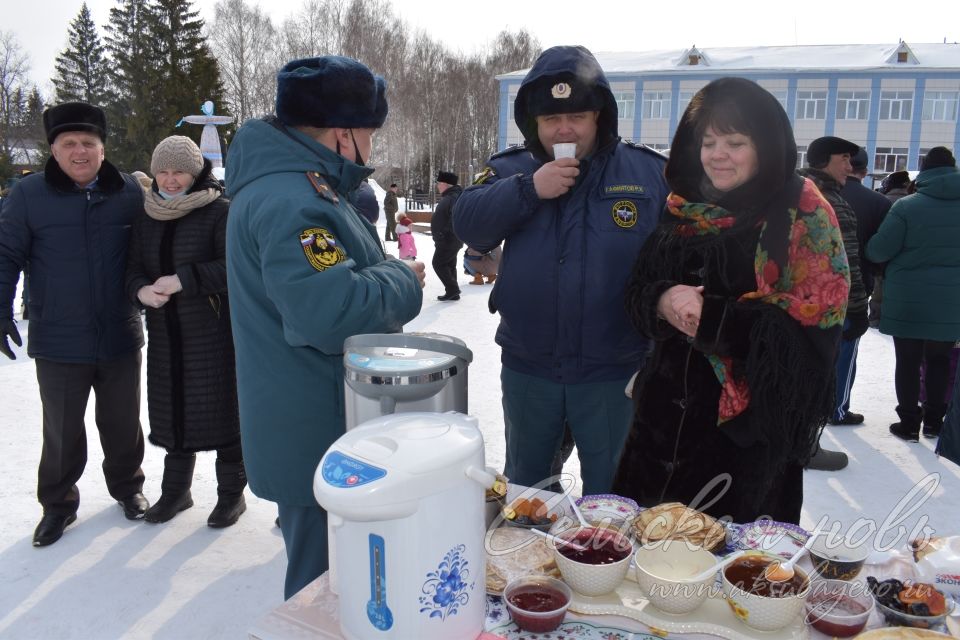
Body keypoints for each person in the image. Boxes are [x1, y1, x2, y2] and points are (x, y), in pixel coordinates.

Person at [225, 55, 425, 599]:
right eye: (370, 134)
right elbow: (331, 314)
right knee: (323, 590)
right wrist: (403, 277)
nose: (373, 147)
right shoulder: (292, 201)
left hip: (319, 419)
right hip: (315, 429)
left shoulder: (301, 187)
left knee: (343, 581)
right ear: (343, 134)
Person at [611, 78, 849, 524]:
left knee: (727, 579)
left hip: (744, 443)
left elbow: (811, 335)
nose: (717, 154)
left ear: (765, 146)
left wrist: (714, 320)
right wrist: (662, 300)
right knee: (643, 568)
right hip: (658, 430)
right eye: (709, 141)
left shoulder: (800, 213)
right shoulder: (683, 204)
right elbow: (636, 290)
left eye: (735, 142)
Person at [453, 45, 669, 496]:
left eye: (577, 117)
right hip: (531, 369)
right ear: (534, 123)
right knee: (528, 494)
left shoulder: (648, 173)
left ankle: (602, 568)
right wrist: (530, 188)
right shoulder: (511, 169)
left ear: (599, 118)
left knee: (615, 498)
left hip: (616, 372)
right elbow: (466, 221)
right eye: (551, 119)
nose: (564, 129)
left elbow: (680, 256)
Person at [0, 102, 150, 547]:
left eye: (89, 143)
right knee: (62, 430)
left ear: (103, 149)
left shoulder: (128, 192)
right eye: (70, 144)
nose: (79, 151)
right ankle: (58, 505)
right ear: (54, 149)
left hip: (120, 332)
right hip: (59, 338)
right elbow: (6, 255)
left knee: (122, 423)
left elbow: (150, 252)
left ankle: (128, 488)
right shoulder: (28, 196)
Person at [124, 135, 246, 528]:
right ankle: (176, 492)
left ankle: (231, 496)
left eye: (179, 171)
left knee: (223, 414)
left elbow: (235, 268)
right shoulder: (147, 215)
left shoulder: (219, 211)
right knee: (171, 412)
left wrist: (185, 280)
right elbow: (131, 269)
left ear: (196, 173)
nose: (170, 179)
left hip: (213, 332)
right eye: (163, 170)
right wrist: (141, 290)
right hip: (164, 333)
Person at [866, 147, 960, 442]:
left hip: (908, 300)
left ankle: (908, 424)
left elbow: (879, 249)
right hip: (951, 300)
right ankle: (934, 422)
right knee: (940, 360)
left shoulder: (907, 206)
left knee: (907, 361)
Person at [797, 136, 869, 471]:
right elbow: (844, 263)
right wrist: (855, 307)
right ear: (826, 160)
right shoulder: (825, 199)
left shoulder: (804, 189)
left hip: (806, 306)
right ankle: (806, 446)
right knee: (817, 376)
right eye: (845, 159)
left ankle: (803, 442)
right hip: (824, 309)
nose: (850, 167)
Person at [432, 170, 463, 301]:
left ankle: (452, 289)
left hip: (448, 239)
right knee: (449, 264)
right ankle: (453, 292)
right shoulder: (451, 196)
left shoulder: (453, 197)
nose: (437, 185)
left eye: (439, 183)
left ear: (445, 184)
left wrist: (443, 233)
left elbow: (455, 218)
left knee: (438, 263)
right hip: (450, 239)